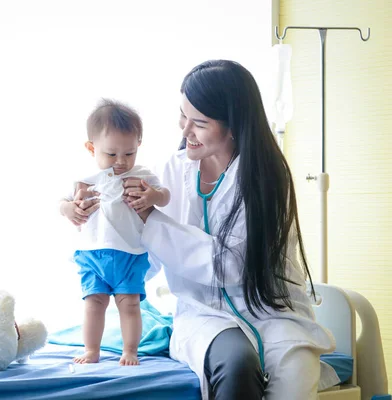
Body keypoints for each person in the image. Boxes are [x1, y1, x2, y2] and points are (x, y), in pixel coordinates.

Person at [99, 60, 334, 399]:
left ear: (233, 125)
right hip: (203, 315)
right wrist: (100, 221)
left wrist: (151, 218)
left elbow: (231, 264)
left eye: (199, 123)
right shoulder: (169, 171)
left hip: (273, 312)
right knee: (237, 364)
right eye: (182, 116)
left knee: (294, 380)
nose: (184, 131)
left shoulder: (265, 179)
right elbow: (142, 259)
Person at [59, 99, 170, 366]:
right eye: (111, 154)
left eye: (129, 153)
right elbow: (63, 203)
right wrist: (69, 209)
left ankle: (130, 351)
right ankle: (91, 350)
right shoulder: (85, 178)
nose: (121, 162)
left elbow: (165, 197)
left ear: (138, 147)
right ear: (91, 147)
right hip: (91, 252)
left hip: (130, 253)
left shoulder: (142, 174)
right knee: (93, 303)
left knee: (130, 305)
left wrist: (153, 195)